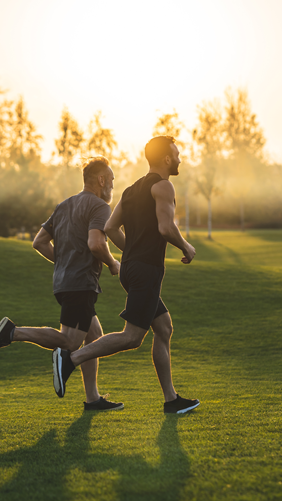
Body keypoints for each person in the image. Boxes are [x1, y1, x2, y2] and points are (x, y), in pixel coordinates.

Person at [52, 136, 200, 414]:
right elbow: (166, 228)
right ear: (166, 159)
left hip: (131, 269)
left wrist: (130, 252)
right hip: (146, 271)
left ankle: (171, 400)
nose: (180, 158)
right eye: (177, 154)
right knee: (132, 337)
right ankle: (71, 359)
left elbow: (109, 227)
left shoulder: (131, 190)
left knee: (164, 327)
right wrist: (187, 246)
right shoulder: (163, 186)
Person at [0, 156, 124, 412]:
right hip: (81, 284)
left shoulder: (63, 206)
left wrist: (64, 263)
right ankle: (12, 333)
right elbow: (96, 244)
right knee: (70, 342)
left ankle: (92, 398)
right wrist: (113, 264)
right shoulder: (99, 207)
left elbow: (39, 242)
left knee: (94, 338)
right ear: (101, 180)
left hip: (63, 282)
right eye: (112, 180)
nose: (113, 186)